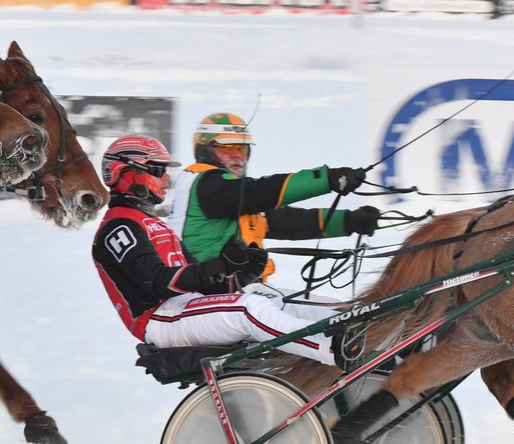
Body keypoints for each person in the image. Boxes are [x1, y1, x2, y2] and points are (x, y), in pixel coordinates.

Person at [91, 135, 361, 369]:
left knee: (271, 298)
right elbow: (161, 283)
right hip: (159, 320)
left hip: (184, 308)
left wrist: (241, 274)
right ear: (125, 172)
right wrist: (219, 264)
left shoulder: (154, 224)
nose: (165, 178)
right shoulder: (118, 226)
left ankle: (352, 327)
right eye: (157, 170)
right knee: (248, 308)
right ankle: (331, 348)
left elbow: (207, 287)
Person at [165, 112, 381, 289]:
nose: (237, 156)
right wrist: (325, 179)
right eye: (226, 148)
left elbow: (290, 221)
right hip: (207, 293)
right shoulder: (205, 184)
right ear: (204, 149)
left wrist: (350, 221)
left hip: (240, 291)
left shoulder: (234, 198)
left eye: (241, 148)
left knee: (333, 313)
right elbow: (260, 192)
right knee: (324, 320)